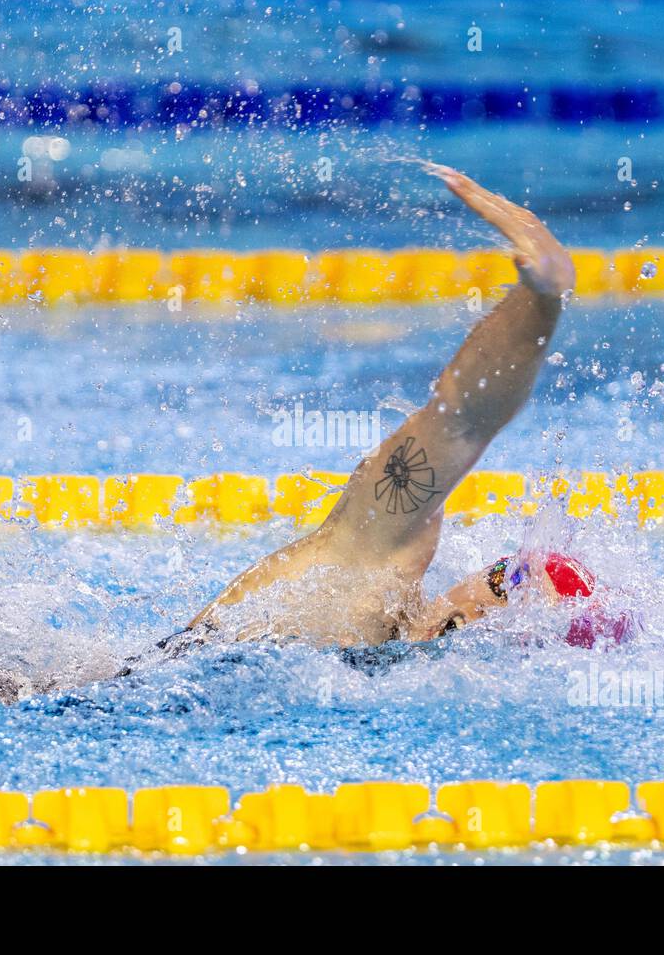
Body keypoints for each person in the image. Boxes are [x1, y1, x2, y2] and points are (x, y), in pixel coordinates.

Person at [171, 165, 631, 658]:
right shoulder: (384, 637)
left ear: (475, 622)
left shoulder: (377, 588)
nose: (490, 570)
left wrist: (545, 301)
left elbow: (462, 417)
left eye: (510, 575)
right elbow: (463, 417)